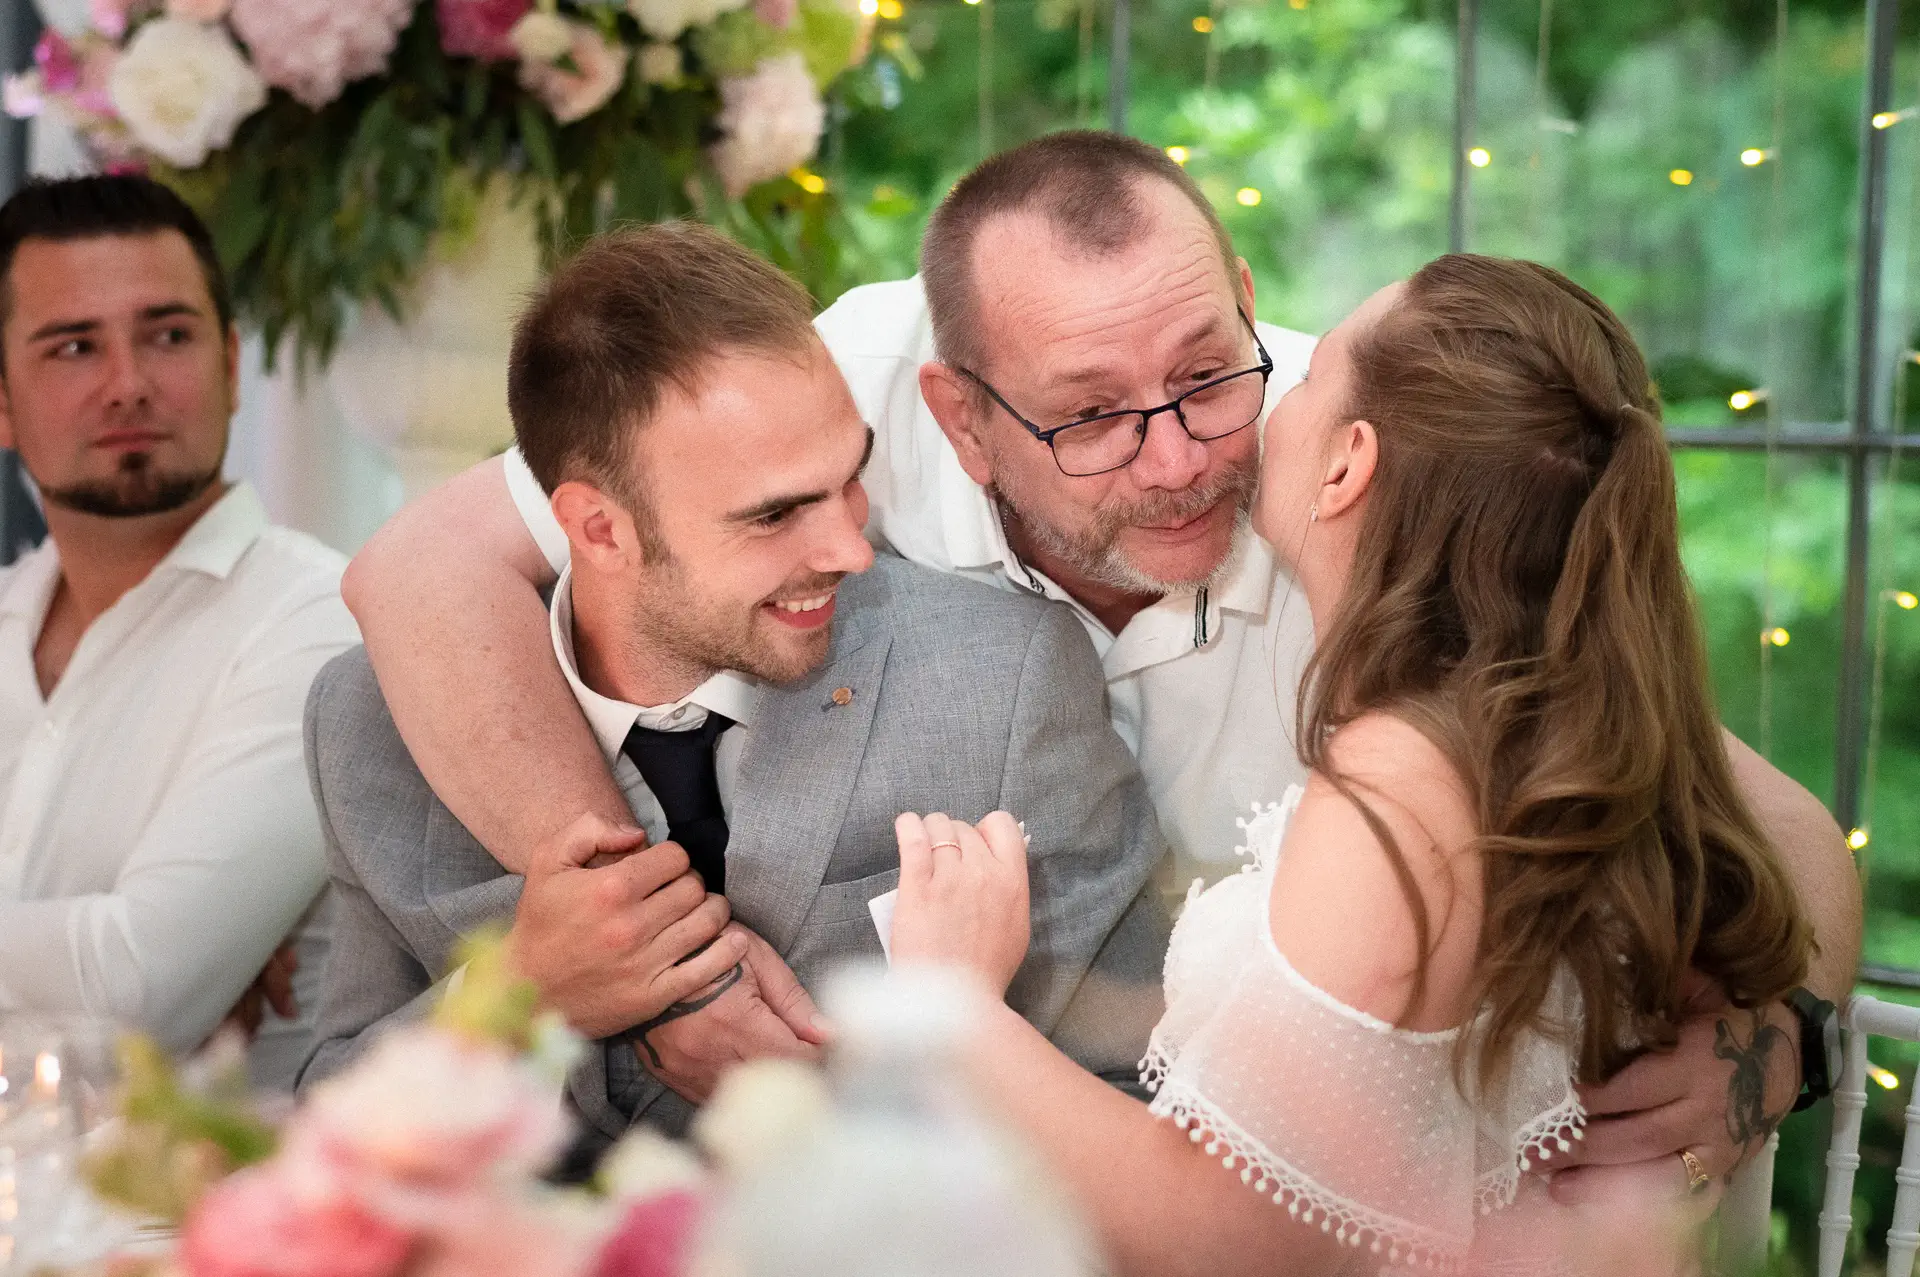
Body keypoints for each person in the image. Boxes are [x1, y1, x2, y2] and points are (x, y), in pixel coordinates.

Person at [337, 132, 1861, 1193]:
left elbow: (1750, 811)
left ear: (1250, 309)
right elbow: (419, 571)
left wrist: (1772, 1040)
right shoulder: (842, 388)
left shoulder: (1359, 450)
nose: (1186, 456)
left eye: (1208, 375)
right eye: (1091, 416)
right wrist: (642, 956)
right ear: (960, 412)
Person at [887, 255, 1818, 1275]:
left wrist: (959, 1004)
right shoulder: (1559, 716)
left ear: (1346, 465)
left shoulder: (1403, 782)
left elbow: (1228, 1234)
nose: (1269, 399)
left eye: (1315, 368)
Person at [297, 223, 1166, 1145]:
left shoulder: (1007, 676)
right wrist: (517, 997)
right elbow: (314, 1130)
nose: (849, 549)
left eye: (850, 477)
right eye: (777, 514)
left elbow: (1138, 1095)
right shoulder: (369, 725)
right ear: (598, 531)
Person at [0, 175, 355, 1088]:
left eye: (168, 335)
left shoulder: (316, 619)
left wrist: (143, 972)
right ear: (3, 402)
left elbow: (137, 993)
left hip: (205, 1213)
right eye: (74, 347)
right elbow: (130, 979)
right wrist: (91, 961)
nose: (128, 385)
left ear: (233, 367)